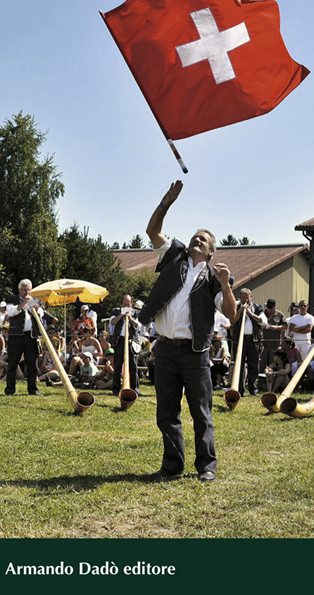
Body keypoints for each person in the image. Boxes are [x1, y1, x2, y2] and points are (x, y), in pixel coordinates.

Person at [139, 180, 237, 483]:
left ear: (211, 252)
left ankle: (207, 466)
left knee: (201, 414)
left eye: (203, 240)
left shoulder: (214, 278)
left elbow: (231, 315)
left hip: (195, 355)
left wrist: (224, 284)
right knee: (166, 413)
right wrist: (166, 202)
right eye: (195, 236)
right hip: (165, 349)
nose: (196, 240)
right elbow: (152, 231)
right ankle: (172, 466)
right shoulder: (174, 256)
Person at [4, 278, 57, 396]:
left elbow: (41, 313)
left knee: (33, 364)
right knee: (12, 363)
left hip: (31, 336)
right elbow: (12, 312)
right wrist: (23, 303)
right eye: (24, 290)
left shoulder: (35, 301)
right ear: (19, 290)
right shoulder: (12, 299)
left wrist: (38, 311)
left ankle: (33, 390)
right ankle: (10, 390)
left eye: (28, 290)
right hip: (16, 336)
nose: (26, 293)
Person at [230, 288, 267, 397]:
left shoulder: (258, 307)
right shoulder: (236, 307)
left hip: (253, 340)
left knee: (254, 365)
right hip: (240, 340)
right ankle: (240, 390)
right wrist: (241, 310)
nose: (246, 300)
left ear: (251, 297)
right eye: (244, 297)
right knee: (239, 365)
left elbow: (263, 321)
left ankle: (253, 389)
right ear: (240, 298)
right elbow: (233, 320)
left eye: (248, 297)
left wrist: (250, 314)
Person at [110, 294, 141, 397]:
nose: (126, 306)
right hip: (120, 341)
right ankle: (116, 389)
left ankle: (135, 389)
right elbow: (112, 322)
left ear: (131, 304)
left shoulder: (136, 312)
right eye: (124, 304)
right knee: (117, 365)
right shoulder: (116, 311)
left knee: (133, 366)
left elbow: (138, 325)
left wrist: (130, 318)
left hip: (131, 342)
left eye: (128, 304)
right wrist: (121, 315)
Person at [261, 298, 285, 368]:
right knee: (262, 361)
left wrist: (276, 327)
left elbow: (285, 326)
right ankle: (260, 376)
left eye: (272, 309)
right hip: (263, 342)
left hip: (274, 343)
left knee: (273, 361)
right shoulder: (262, 314)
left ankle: (272, 375)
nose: (270, 311)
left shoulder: (280, 315)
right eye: (269, 309)